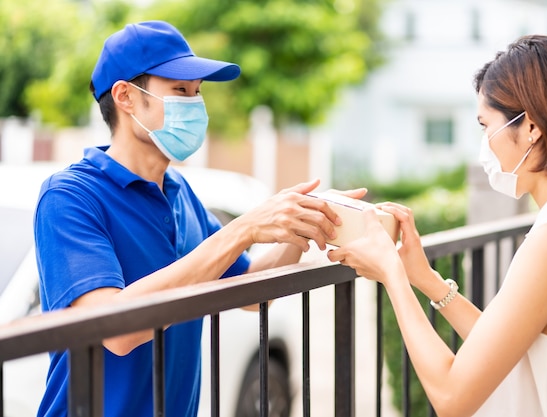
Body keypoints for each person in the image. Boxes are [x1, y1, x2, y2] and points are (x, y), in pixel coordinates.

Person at [34, 20, 364, 417]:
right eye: (179, 91)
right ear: (125, 96)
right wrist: (243, 229)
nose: (194, 105)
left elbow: (248, 289)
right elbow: (115, 330)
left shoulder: (180, 193)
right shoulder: (70, 196)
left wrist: (300, 224)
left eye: (197, 93)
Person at [329, 34, 547, 416]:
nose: (485, 143)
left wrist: (392, 276)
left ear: (531, 128)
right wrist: (424, 278)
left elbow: (453, 397)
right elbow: (506, 343)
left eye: (487, 126)